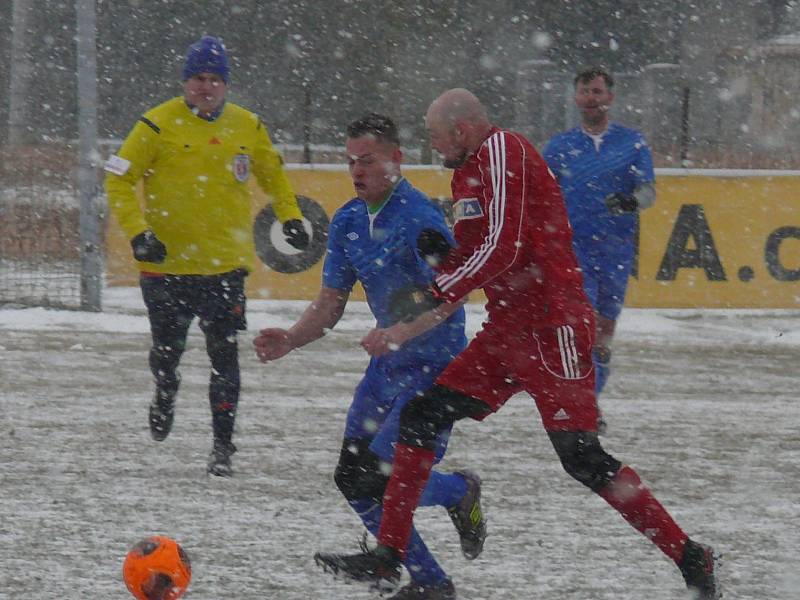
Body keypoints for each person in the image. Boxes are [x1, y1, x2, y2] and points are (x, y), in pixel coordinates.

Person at [313, 89, 719, 599]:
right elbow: (484, 248)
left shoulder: (503, 149)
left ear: (461, 130)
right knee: (422, 415)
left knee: (582, 459)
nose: (434, 149)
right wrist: (445, 257)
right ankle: (389, 558)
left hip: (554, 327)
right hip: (507, 330)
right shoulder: (465, 174)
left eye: (436, 137)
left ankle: (691, 556)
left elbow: (502, 246)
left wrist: (437, 286)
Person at [253, 113, 486, 600]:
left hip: (435, 367)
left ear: (396, 159)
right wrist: (292, 338)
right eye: (351, 162)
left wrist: (401, 330)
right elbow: (331, 301)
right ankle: (431, 582)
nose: (357, 171)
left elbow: (452, 295)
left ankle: (458, 492)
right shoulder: (348, 220)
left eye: (368, 161)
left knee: (389, 477)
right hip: (387, 367)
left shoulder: (420, 217)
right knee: (352, 477)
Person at [104, 36, 309, 477]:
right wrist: (139, 234)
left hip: (224, 268)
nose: (206, 87)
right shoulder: (156, 125)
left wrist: (289, 215)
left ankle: (222, 447)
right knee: (166, 353)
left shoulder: (248, 126)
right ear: (185, 80)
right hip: (166, 268)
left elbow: (273, 175)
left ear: (226, 85)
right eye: (198, 77)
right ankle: (165, 388)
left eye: (215, 79)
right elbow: (117, 180)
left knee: (226, 359)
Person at [543, 66, 656, 406]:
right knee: (582, 328)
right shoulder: (560, 146)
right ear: (576, 98)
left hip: (616, 253)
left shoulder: (631, 143)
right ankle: (583, 407)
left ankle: (591, 399)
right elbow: (541, 197)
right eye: (584, 92)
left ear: (610, 97)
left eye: (596, 92)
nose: (590, 99)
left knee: (604, 334)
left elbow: (649, 193)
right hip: (574, 253)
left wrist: (630, 200)